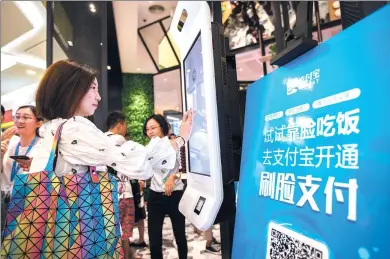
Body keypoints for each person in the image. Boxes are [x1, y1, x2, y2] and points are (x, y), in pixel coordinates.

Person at [1, 60, 193, 258]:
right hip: (79, 233)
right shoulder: (74, 128)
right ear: (71, 90)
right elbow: (135, 161)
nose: (98, 96)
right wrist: (180, 139)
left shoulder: (52, 127)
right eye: (92, 88)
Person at [143, 114, 188, 259]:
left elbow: (185, 170)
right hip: (155, 195)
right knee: (154, 238)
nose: (150, 131)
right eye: (147, 129)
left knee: (180, 234)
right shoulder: (148, 149)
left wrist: (172, 177)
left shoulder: (175, 144)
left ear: (162, 127)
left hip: (175, 194)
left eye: (153, 128)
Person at [1, 105, 42, 233]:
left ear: (39, 123)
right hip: (3, 198)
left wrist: (33, 164)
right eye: (17, 117)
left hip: (27, 200)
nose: (20, 121)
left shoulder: (43, 146)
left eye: (26, 117)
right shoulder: (10, 143)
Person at [105, 111, 139, 259]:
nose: (126, 129)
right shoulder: (121, 140)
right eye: (125, 125)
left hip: (106, 196)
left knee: (110, 235)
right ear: (119, 125)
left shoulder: (99, 140)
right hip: (125, 194)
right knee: (124, 235)